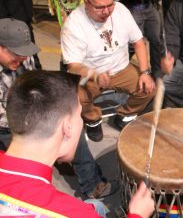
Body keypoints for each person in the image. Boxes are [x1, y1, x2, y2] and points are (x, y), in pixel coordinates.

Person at [0, 70, 155, 218]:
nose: (81, 121)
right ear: (67, 127)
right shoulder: (73, 213)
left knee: (95, 205)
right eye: (79, 115)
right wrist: (137, 214)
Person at [0, 18, 116, 200]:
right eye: (16, 53)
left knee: (71, 126)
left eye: (25, 52)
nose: (22, 58)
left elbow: (38, 80)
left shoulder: (24, 55)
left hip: (33, 110)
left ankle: (92, 184)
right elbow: (5, 119)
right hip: (8, 126)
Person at [61, 0, 156, 142]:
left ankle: (125, 115)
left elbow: (138, 41)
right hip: (90, 74)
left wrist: (145, 72)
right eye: (99, 8)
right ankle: (92, 119)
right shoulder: (73, 24)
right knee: (76, 98)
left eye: (109, 5)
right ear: (86, 2)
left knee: (148, 88)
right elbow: (73, 66)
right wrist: (95, 75)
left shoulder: (120, 10)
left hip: (121, 68)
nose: (106, 12)